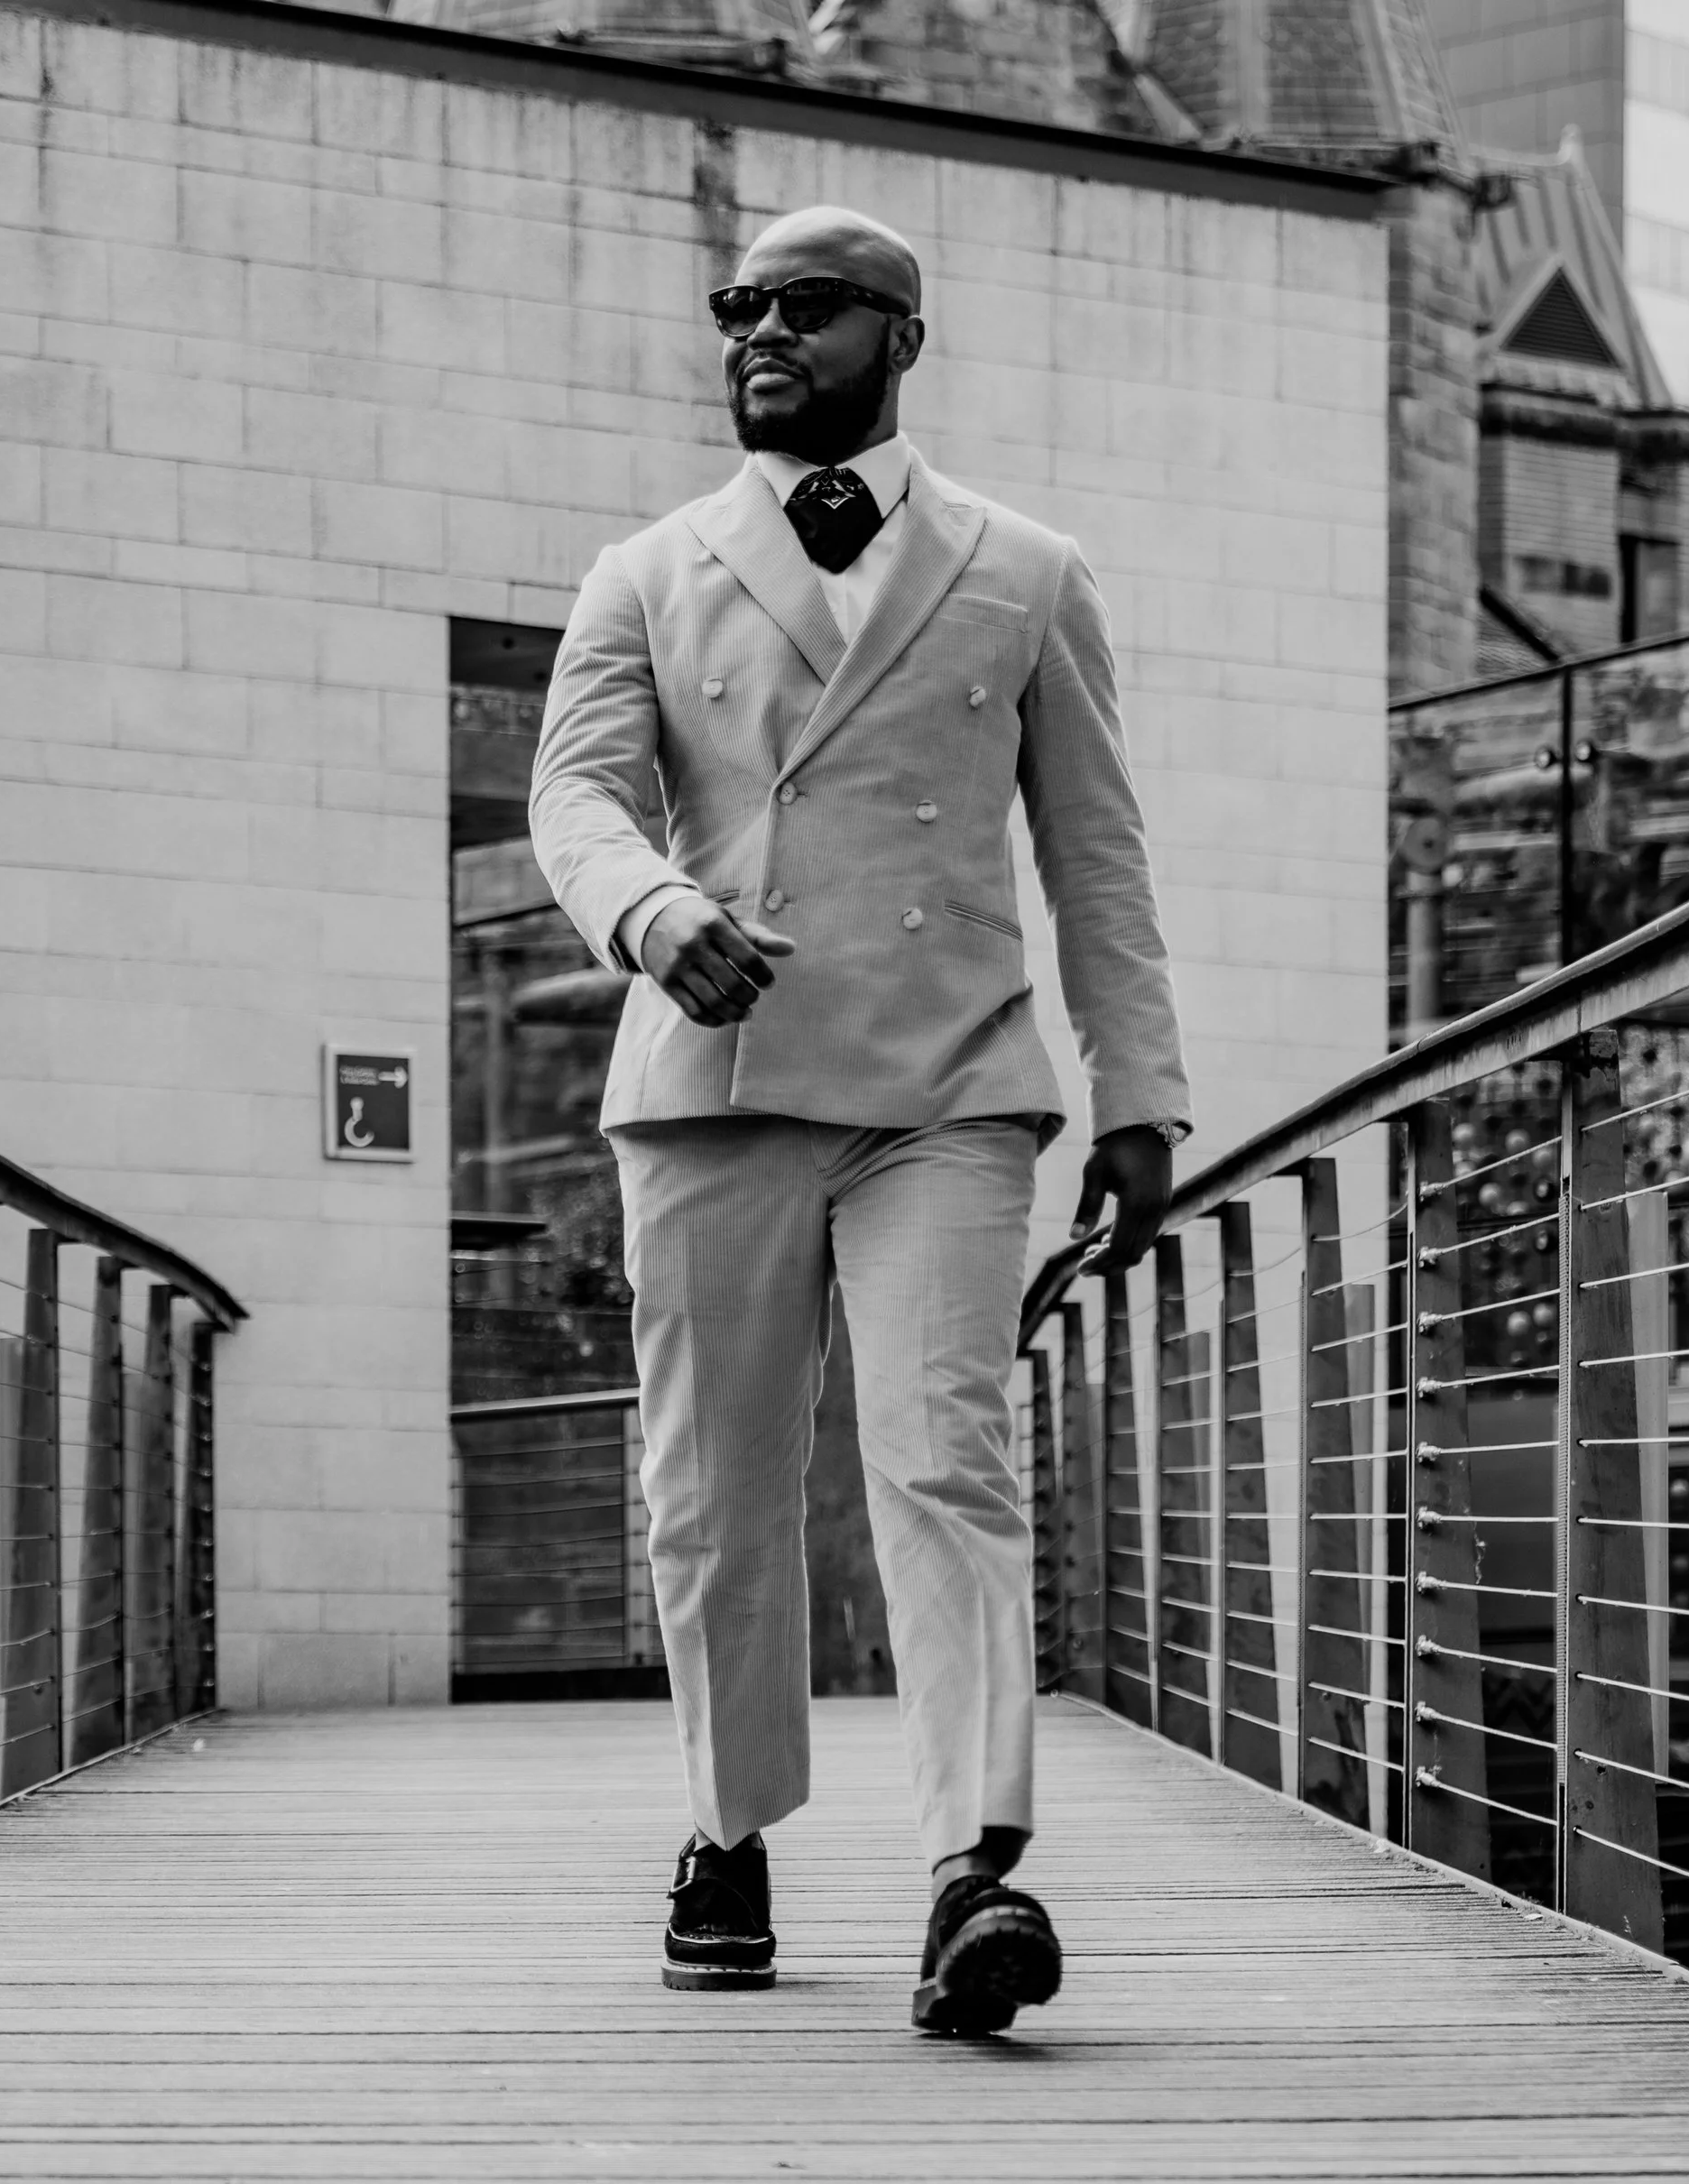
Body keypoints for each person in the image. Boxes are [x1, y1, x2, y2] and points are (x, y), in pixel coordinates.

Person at [530, 205, 1191, 2035]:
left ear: (900, 334)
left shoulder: (1028, 572)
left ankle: (972, 1867)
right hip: (711, 1080)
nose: (756, 331)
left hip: (948, 1083)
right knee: (716, 1491)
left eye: (802, 306)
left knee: (941, 1453)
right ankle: (726, 1831)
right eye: (737, 305)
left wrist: (1138, 1093)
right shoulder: (646, 570)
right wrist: (658, 920)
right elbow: (573, 800)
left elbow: (1097, 862)